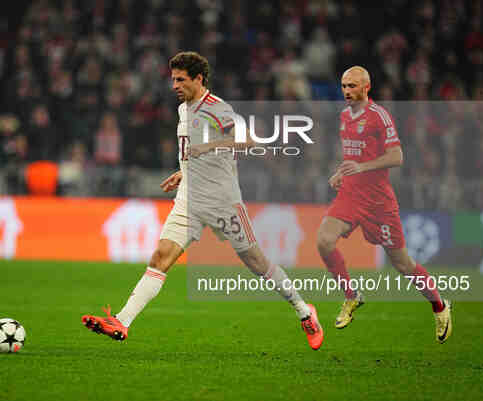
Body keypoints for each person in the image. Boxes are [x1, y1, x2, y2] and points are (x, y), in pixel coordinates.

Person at [82, 51, 324, 350]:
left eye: (181, 80)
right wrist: (182, 172)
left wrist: (210, 145)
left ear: (199, 79)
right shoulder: (184, 110)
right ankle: (122, 320)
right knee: (160, 257)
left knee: (256, 261)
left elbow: (247, 142)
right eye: (173, 79)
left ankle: (303, 311)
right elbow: (194, 152)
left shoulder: (218, 109)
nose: (174, 85)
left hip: (223, 201)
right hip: (189, 200)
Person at [317, 66, 452, 343]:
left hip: (379, 203)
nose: (346, 92)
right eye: (343, 86)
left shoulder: (380, 116)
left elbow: (397, 156)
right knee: (324, 241)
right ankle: (352, 296)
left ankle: (439, 305)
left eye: (352, 86)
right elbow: (352, 156)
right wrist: (341, 173)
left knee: (403, 264)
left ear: (367, 87)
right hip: (351, 196)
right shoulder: (344, 116)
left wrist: (361, 167)